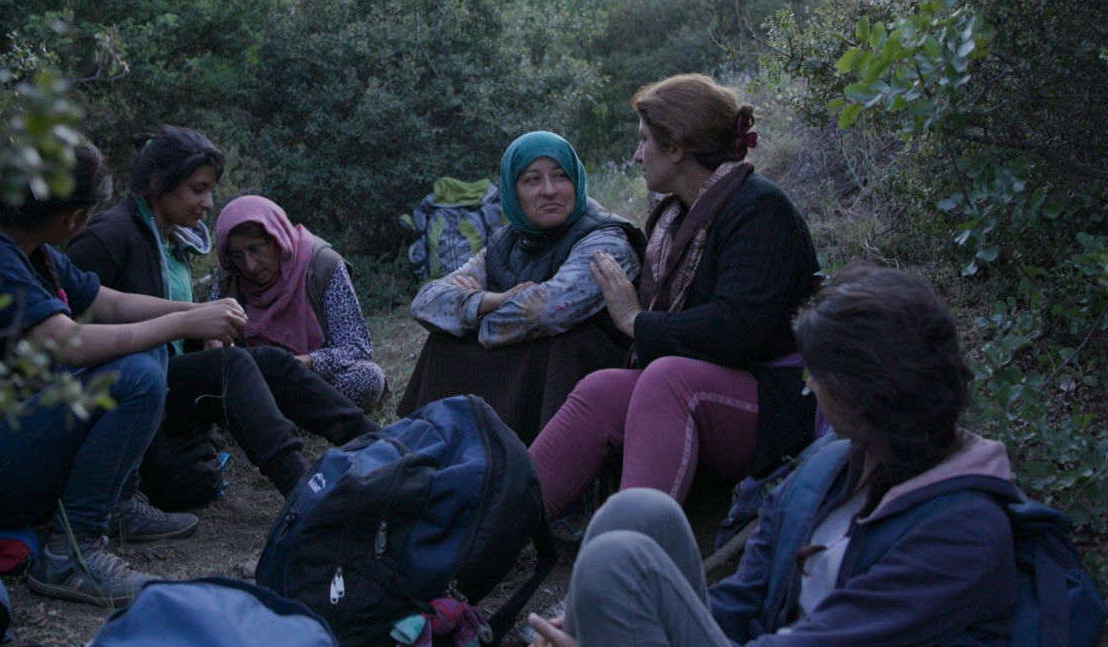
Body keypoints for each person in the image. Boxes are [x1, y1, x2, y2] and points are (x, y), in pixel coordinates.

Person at [526, 264, 1021, 646]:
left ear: (864, 392)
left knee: (615, 561)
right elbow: (743, 602)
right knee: (636, 512)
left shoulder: (963, 531)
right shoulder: (832, 468)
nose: (807, 387)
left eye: (816, 375)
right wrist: (613, 621)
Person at [0, 140, 248, 606]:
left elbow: (108, 302)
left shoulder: (27, 249)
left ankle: (115, 508)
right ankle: (71, 553)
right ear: (73, 218)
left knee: (149, 354)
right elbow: (69, 342)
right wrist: (186, 322)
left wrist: (198, 309)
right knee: (138, 376)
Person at [529, 74, 819, 518]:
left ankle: (630, 561)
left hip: (784, 402)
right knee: (602, 388)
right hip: (717, 389)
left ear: (677, 146)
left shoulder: (758, 209)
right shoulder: (674, 217)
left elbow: (739, 330)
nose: (637, 154)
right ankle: (481, 537)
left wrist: (637, 322)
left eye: (645, 141)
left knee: (667, 379)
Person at [66, 127, 378, 502]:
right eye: (198, 189)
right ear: (157, 182)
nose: (209, 203)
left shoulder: (172, 244)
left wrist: (203, 330)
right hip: (130, 387)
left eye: (210, 190)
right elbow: (72, 328)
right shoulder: (111, 236)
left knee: (272, 363)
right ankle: (302, 490)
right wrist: (196, 325)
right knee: (235, 366)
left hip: (165, 382)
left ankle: (376, 441)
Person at [399, 131, 645, 444]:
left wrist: (469, 313)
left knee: (560, 339)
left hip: (585, 373)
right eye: (532, 180)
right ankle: (438, 449)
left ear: (577, 181)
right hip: (525, 361)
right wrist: (491, 299)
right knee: (443, 342)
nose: (549, 190)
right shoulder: (506, 241)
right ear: (512, 190)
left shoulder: (605, 240)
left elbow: (545, 311)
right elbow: (425, 302)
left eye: (561, 176)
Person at [211, 195, 387, 412]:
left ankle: (284, 418)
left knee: (367, 378)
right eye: (237, 255)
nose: (249, 265)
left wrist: (297, 364)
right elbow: (215, 350)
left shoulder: (323, 265)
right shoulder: (228, 280)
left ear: (277, 237)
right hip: (257, 386)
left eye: (256, 248)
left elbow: (356, 348)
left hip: (317, 381)